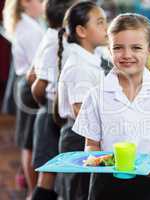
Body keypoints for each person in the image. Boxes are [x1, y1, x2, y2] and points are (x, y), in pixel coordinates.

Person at [72, 13, 150, 200]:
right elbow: (91, 144)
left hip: (148, 183)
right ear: (109, 51)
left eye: (136, 48)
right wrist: (99, 162)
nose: (127, 55)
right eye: (118, 48)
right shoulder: (96, 95)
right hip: (105, 185)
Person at [56, 1, 109, 200]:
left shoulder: (90, 57)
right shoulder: (80, 66)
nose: (106, 28)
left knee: (86, 190)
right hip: (79, 137)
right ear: (81, 30)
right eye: (100, 23)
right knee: (78, 193)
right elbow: (80, 110)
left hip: (85, 135)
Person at [29, 0, 78, 199]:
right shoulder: (53, 43)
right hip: (50, 113)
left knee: (50, 176)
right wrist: (47, 106)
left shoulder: (57, 38)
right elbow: (38, 85)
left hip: (53, 111)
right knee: (46, 179)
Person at [3, 0, 44, 199]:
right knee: (29, 142)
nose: (44, 4)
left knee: (28, 142)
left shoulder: (27, 23)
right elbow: (39, 66)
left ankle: (31, 188)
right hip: (30, 86)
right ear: (26, 3)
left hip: (24, 85)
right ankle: (32, 191)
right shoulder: (30, 29)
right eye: (40, 0)